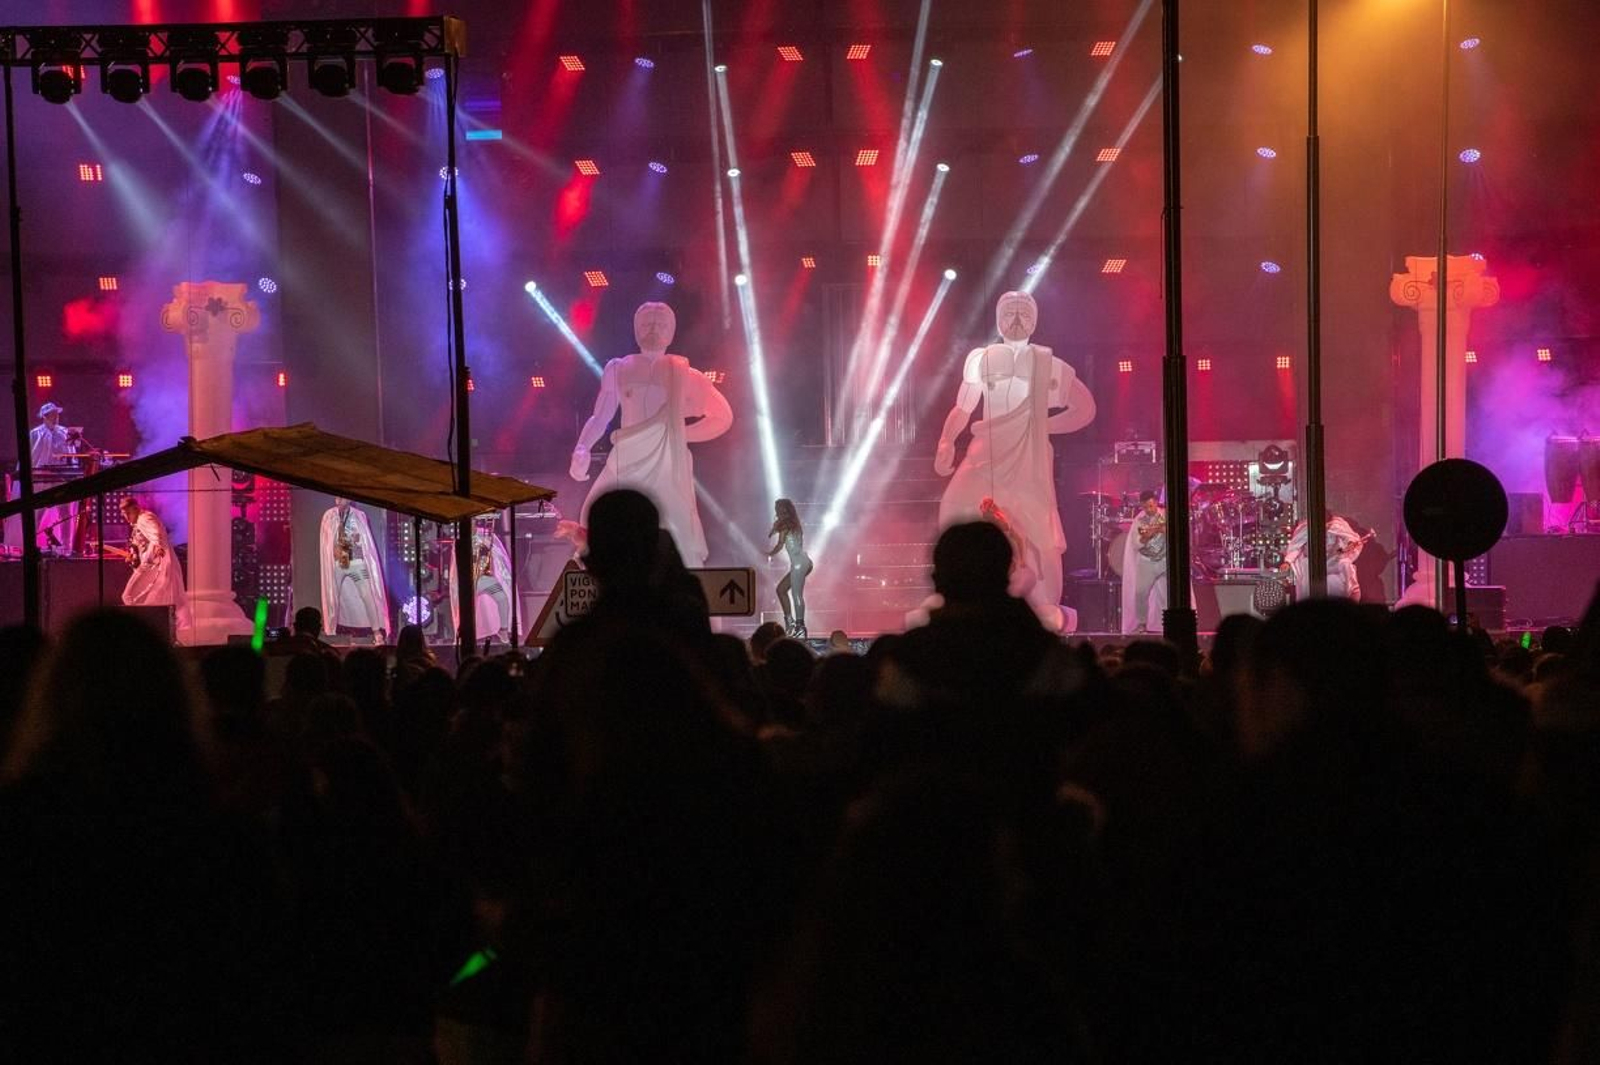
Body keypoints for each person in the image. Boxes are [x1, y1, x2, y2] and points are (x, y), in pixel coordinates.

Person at [934, 291, 1095, 633]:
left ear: (1035, 319)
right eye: (1010, 310)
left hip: (1029, 458)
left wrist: (1041, 426)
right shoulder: (982, 359)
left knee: (1036, 527)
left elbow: (1085, 408)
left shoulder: (1048, 363)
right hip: (987, 449)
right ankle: (958, 586)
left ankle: (1045, 600)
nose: (1017, 317)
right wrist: (947, 439)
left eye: (1024, 310)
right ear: (997, 317)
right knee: (953, 505)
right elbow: (963, 406)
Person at [569, 302, 733, 566]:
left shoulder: (686, 374)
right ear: (635, 330)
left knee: (671, 524)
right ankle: (610, 576)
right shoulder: (618, 369)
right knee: (593, 513)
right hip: (626, 458)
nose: (653, 329)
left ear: (671, 331)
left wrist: (679, 435)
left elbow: (722, 417)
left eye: (661, 324)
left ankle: (673, 583)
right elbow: (600, 417)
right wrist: (582, 448)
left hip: (667, 462)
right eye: (646, 323)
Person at [318, 498, 389, 643]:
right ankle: (330, 631)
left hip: (355, 560)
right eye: (337, 497)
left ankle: (377, 632)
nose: (339, 499)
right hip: (340, 562)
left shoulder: (358, 515)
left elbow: (362, 538)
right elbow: (327, 540)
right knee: (333, 595)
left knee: (367, 595)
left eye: (343, 497)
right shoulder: (330, 515)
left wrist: (353, 540)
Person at [119, 496, 189, 631]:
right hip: (149, 565)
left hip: (152, 566)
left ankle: (139, 627)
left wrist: (157, 545)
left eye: (128, 513)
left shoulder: (145, 518)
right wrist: (133, 557)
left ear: (136, 509)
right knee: (148, 599)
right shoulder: (139, 521)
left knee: (129, 596)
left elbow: (155, 533)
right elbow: (142, 544)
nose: (126, 517)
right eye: (124, 514)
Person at [1282, 514, 1368, 601]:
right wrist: (1288, 561)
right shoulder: (1306, 530)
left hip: (1334, 560)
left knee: (1344, 567)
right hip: (1313, 563)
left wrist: (1350, 544)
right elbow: (1296, 547)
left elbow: (1349, 539)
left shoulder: (1336, 527)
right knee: (1309, 581)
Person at [765, 498, 814, 639]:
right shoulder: (792, 523)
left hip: (799, 563)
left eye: (778, 508)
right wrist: (774, 528)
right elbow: (774, 532)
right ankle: (791, 623)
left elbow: (779, 545)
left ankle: (800, 627)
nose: (776, 510)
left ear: (783, 509)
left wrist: (768, 554)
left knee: (796, 594)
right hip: (804, 561)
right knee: (781, 590)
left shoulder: (785, 524)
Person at [1121, 491, 1168, 635]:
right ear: (1142, 506)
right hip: (1146, 562)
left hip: (1164, 560)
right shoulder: (1139, 520)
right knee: (1140, 593)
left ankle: (1169, 624)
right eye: (1146, 507)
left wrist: (1161, 529)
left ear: (1155, 502)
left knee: (1168, 595)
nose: (1149, 509)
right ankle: (1142, 624)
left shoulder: (1165, 515)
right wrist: (1146, 537)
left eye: (1151, 505)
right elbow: (1135, 544)